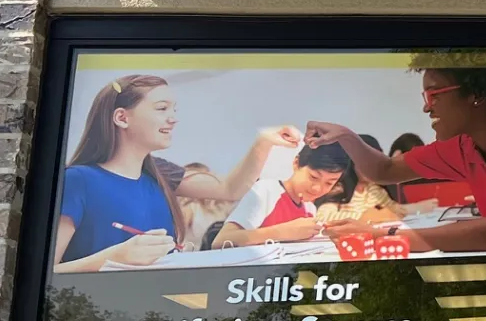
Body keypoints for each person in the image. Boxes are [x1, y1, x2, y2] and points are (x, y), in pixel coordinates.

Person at [54, 74, 303, 272]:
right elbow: (50, 272)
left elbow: (229, 190)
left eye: (174, 110)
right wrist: (115, 257)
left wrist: (263, 142)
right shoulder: (77, 180)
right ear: (121, 118)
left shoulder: (159, 172)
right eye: (162, 108)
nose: (173, 119)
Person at [305, 54, 486, 254]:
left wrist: (381, 235)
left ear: (476, 94)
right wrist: (346, 136)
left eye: (434, 95)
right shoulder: (463, 145)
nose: (427, 107)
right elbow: (385, 170)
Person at [213, 144, 354, 247]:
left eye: (329, 183)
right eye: (313, 177)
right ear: (296, 163)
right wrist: (282, 232)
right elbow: (221, 241)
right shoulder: (266, 191)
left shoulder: (310, 209)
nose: (318, 189)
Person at [315, 134, 404, 225]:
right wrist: (364, 217)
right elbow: (322, 216)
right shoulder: (339, 188)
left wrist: (392, 213)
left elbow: (395, 210)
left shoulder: (374, 189)